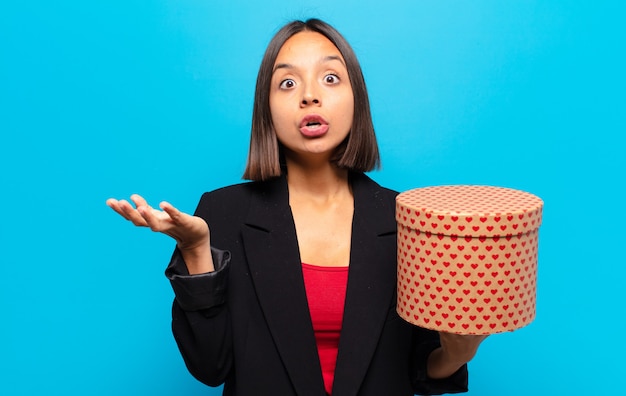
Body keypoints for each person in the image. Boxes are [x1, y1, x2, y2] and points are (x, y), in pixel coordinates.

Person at [106, 18, 486, 396]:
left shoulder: (409, 220)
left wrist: (457, 352)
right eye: (287, 83)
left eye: (330, 78)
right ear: (266, 109)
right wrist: (196, 251)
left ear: (358, 98)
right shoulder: (221, 212)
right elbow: (210, 367)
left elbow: (420, 371)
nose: (309, 95)